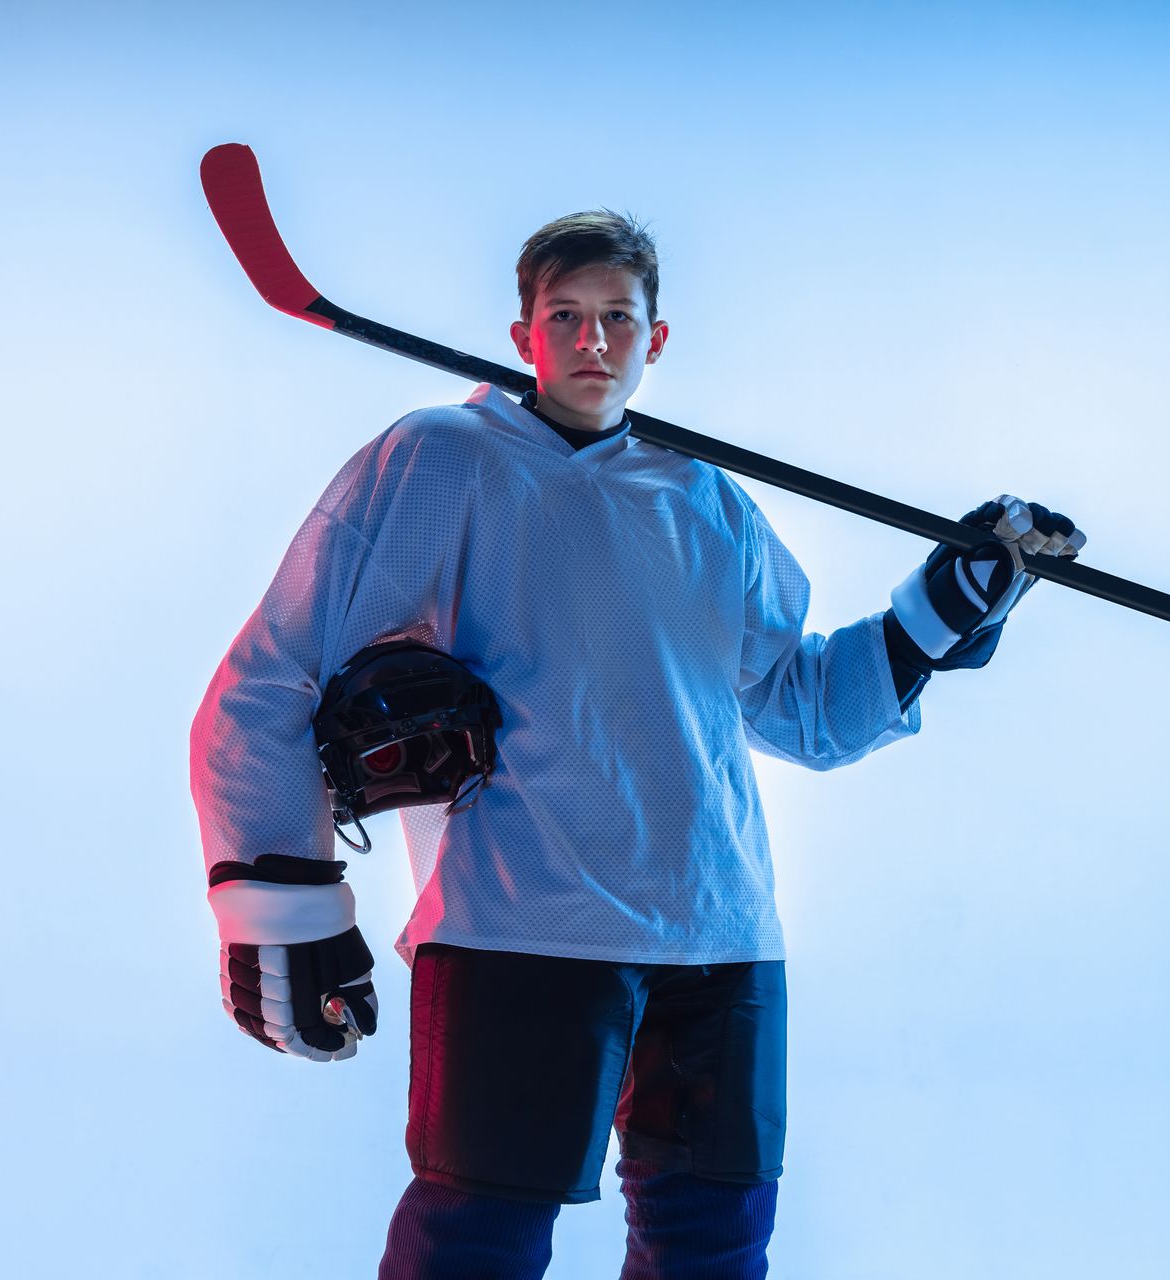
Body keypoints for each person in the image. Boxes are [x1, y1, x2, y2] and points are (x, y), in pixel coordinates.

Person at [189, 208, 1084, 1279]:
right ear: (522, 332)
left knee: (712, 1254)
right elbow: (271, 675)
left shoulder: (706, 497)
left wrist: (934, 617)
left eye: (618, 317)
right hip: (521, 928)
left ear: (656, 339)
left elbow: (799, 706)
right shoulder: (441, 460)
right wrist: (285, 902)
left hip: (723, 934)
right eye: (565, 315)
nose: (593, 340)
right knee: (476, 1250)